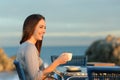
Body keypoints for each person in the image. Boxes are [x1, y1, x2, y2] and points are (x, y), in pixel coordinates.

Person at [16, 14, 70, 80]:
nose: (44, 31)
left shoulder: (23, 46)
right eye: (41, 27)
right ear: (31, 27)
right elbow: (36, 78)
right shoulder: (30, 48)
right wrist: (57, 62)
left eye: (45, 28)